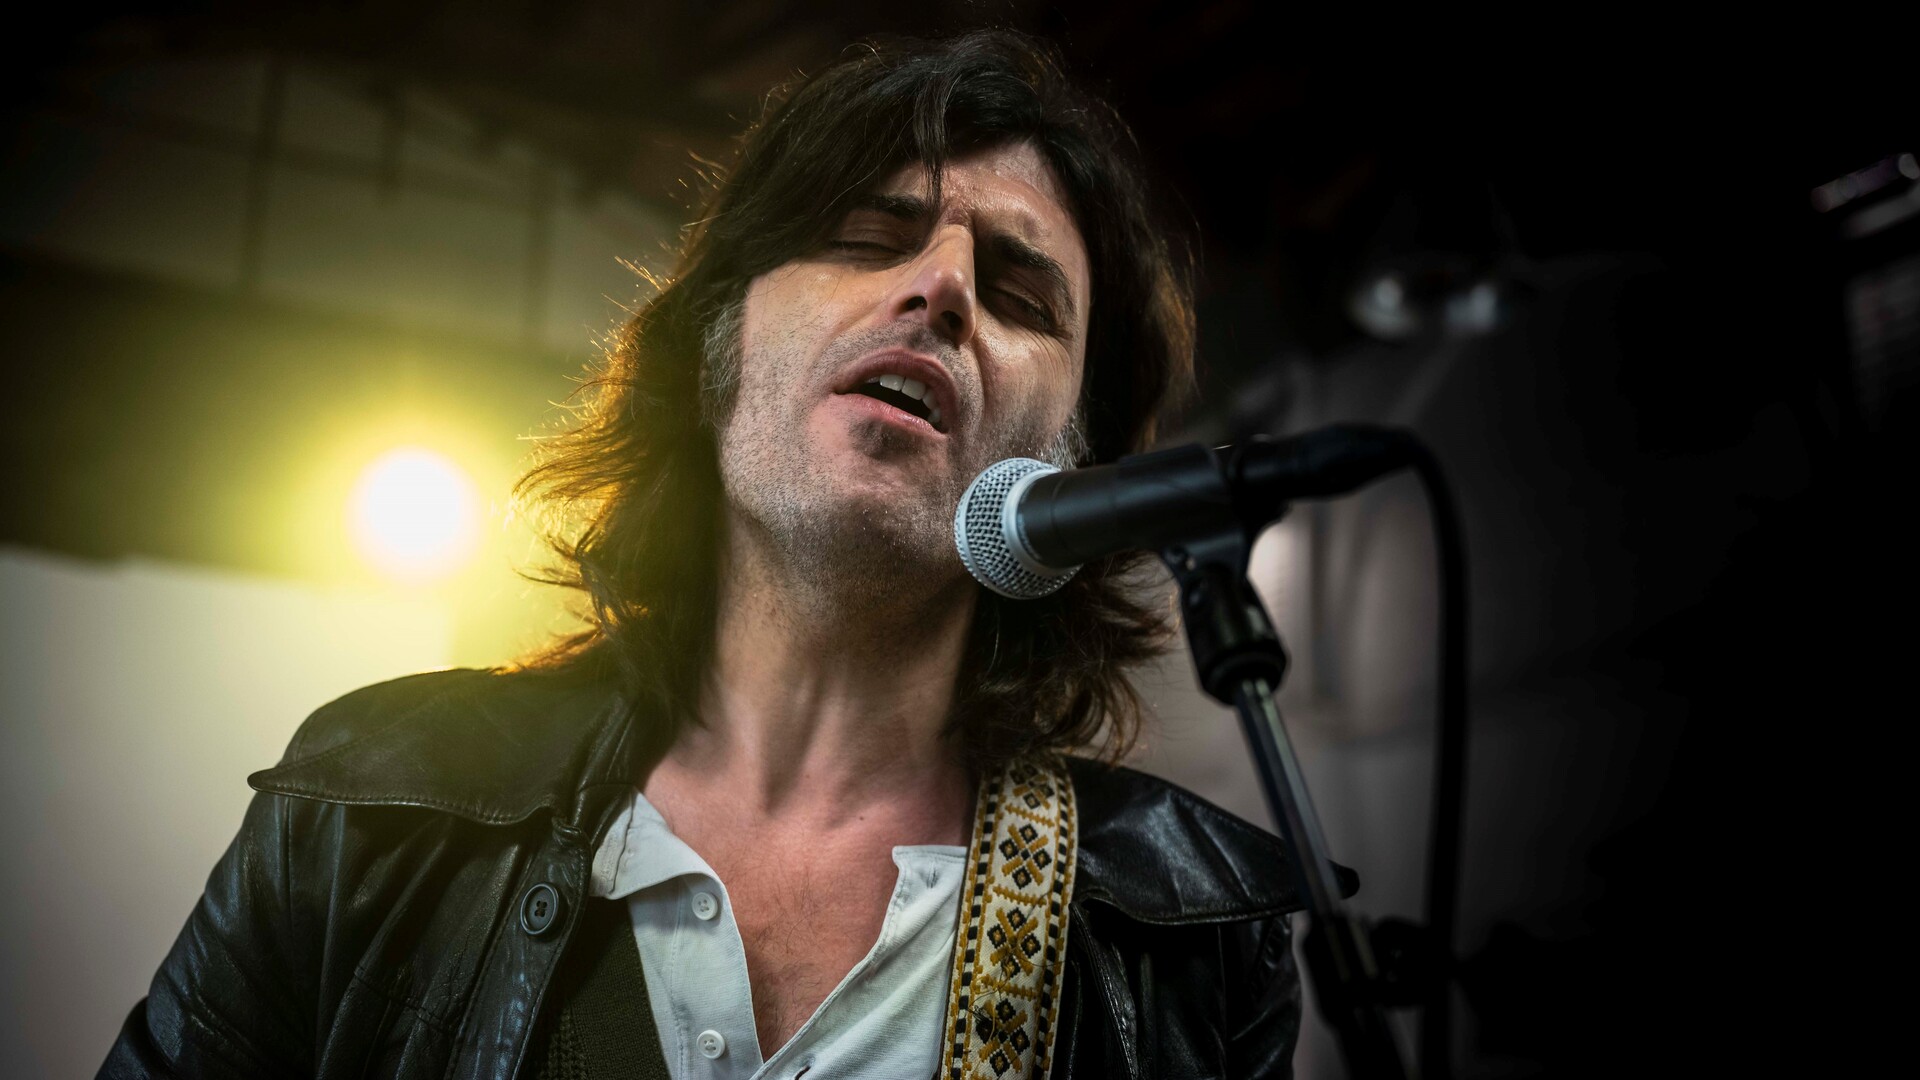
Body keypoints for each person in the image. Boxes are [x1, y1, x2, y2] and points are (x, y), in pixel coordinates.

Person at [102, 29, 1332, 1080]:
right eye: (869, 235)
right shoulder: (365, 810)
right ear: (712, 353)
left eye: (1022, 298)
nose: (943, 288)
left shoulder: (1196, 946)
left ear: (1075, 467)